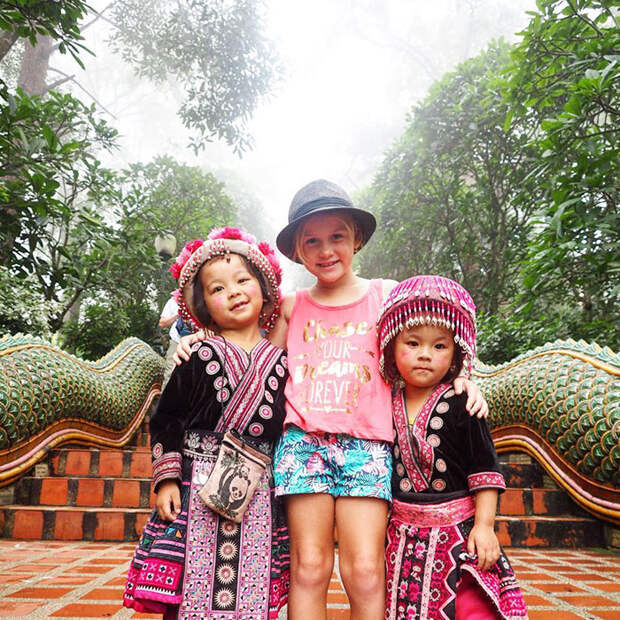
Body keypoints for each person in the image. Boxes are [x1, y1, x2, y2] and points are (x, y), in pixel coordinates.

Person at [174, 180, 488, 620]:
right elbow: (254, 357)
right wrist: (199, 340)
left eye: (336, 236)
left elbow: (435, 339)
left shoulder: (386, 295)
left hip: (368, 447)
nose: (326, 250)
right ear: (297, 251)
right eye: (312, 241)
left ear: (356, 238)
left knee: (364, 570)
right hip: (303, 446)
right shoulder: (292, 306)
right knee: (309, 567)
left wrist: (465, 378)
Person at [123, 227, 289, 619]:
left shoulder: (283, 362)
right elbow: (167, 418)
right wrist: (166, 479)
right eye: (217, 288)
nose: (233, 292)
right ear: (203, 306)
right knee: (187, 589)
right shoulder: (196, 355)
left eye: (243, 280)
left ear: (264, 289)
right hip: (195, 485)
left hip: (259, 493)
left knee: (251, 590)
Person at [377, 275, 528, 620]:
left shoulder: (464, 402)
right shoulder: (383, 400)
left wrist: (484, 527)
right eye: (412, 343)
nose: (425, 355)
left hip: (458, 534)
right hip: (400, 536)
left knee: (470, 609)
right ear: (391, 345)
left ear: (456, 353)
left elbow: (485, 471)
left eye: (439, 346)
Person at [158, 295, 182, 388]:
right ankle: (165, 396)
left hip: (199, 341)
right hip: (176, 341)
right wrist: (177, 314)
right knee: (170, 374)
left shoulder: (202, 296)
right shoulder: (174, 301)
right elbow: (162, 323)